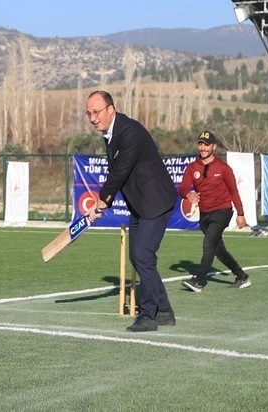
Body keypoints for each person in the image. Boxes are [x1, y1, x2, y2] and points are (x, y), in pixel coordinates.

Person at [85, 90, 178, 332]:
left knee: (144, 255)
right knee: (137, 257)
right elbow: (118, 174)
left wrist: (103, 200)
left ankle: (148, 315)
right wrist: (104, 200)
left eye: (97, 112)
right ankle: (165, 311)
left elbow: (120, 172)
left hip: (156, 201)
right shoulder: (110, 134)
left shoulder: (129, 132)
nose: (93, 118)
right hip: (140, 204)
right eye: (89, 114)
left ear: (110, 110)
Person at [178, 131, 251, 292]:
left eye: (206, 144)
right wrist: (188, 194)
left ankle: (199, 280)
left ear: (214, 146)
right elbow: (183, 187)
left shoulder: (223, 168)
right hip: (204, 214)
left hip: (222, 211)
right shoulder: (192, 167)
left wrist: (240, 214)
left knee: (208, 243)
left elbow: (233, 191)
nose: (203, 148)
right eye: (201, 144)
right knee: (218, 250)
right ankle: (241, 276)